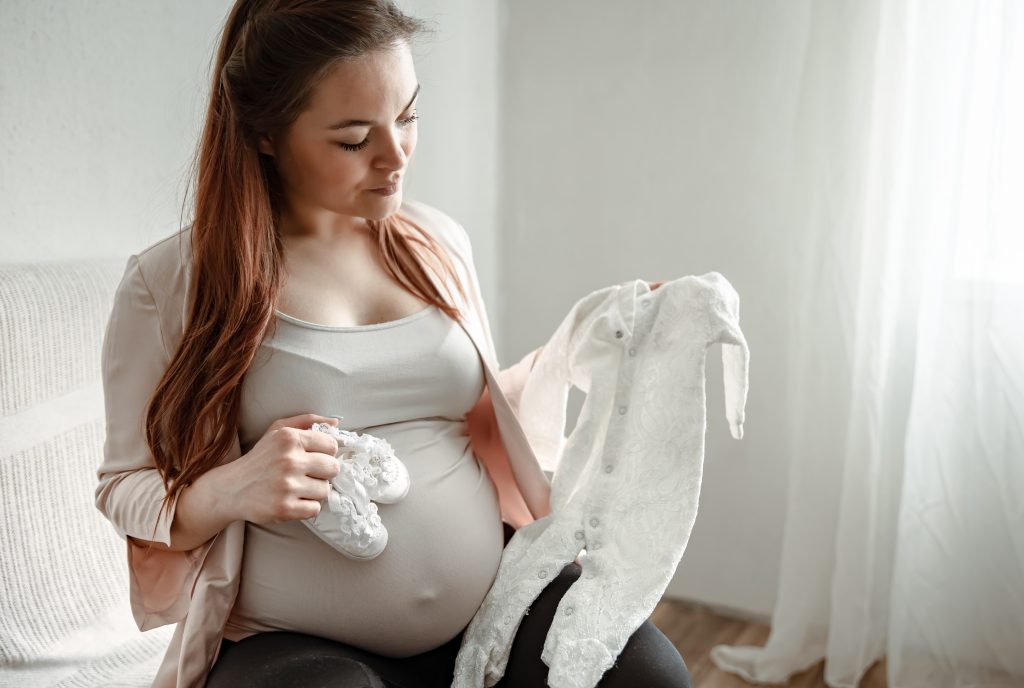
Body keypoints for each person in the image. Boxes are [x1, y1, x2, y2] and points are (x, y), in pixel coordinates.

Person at [96, 1, 692, 686]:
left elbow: (474, 411)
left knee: (649, 673)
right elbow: (124, 489)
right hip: (297, 645)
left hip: (489, 607)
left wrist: (595, 342)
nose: (397, 155)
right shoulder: (171, 284)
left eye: (407, 116)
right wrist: (234, 488)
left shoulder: (437, 241)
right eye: (354, 140)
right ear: (265, 134)